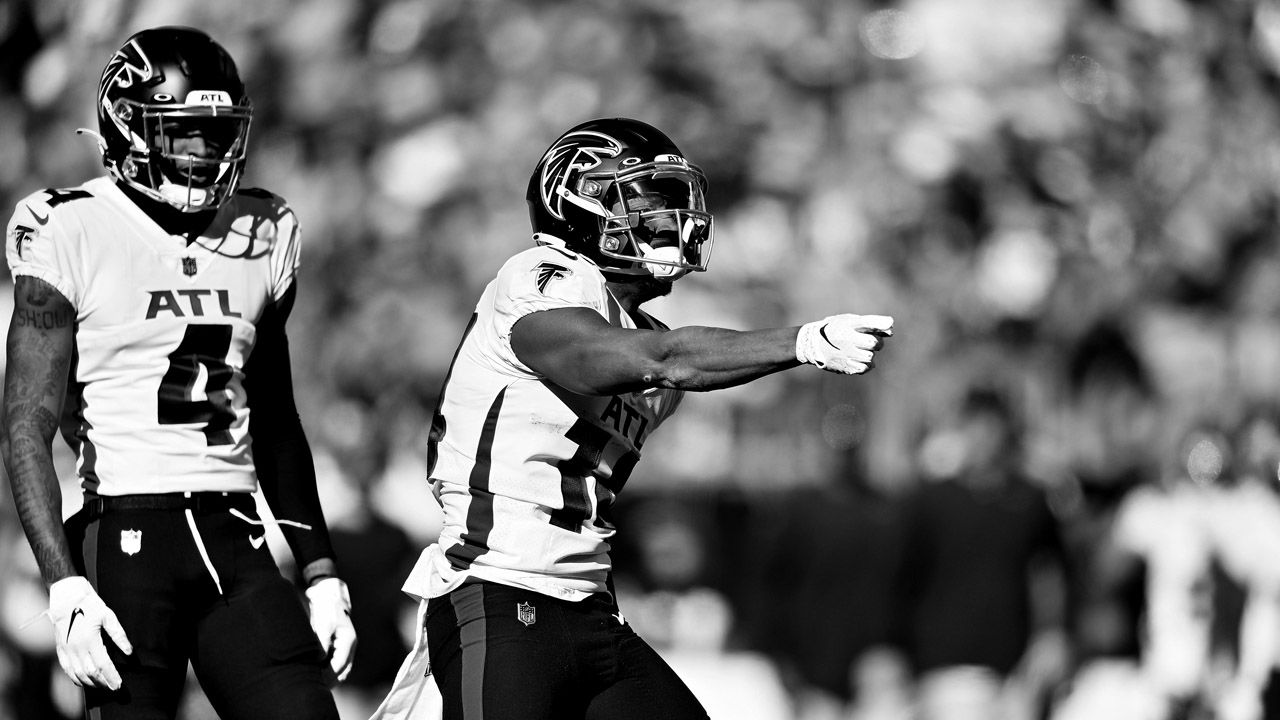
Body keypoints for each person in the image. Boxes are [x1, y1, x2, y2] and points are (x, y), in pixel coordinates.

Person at [370, 117, 895, 720]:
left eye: (669, 204)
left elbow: (674, 363)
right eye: (644, 200)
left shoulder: (648, 345)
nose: (666, 221)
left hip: (589, 607)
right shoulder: (543, 278)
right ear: (576, 203)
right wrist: (801, 341)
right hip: (497, 588)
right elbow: (647, 361)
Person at [1, 26, 355, 720]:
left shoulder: (263, 230)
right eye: (184, 131)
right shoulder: (68, 228)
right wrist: (63, 582)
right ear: (129, 127)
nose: (205, 151)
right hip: (127, 537)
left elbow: (276, 417)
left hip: (236, 533)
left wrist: (320, 569)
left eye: (217, 132)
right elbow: (26, 426)